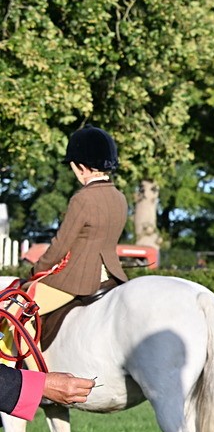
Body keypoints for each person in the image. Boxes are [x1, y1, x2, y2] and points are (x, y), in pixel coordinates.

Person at [29, 125, 129, 315]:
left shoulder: (82, 198)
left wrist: (35, 271)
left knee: (18, 313)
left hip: (78, 279)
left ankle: (30, 347)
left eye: (72, 167)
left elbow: (60, 245)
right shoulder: (120, 197)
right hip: (113, 275)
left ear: (81, 167)